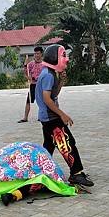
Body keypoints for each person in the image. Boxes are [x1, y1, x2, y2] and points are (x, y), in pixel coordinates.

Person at [35, 44, 94, 187]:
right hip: (51, 118)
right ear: (54, 58)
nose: (66, 59)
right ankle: (76, 173)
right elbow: (47, 99)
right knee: (68, 143)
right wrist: (62, 115)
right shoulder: (48, 75)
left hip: (47, 117)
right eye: (63, 56)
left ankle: (39, 172)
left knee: (48, 146)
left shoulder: (49, 73)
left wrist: (61, 81)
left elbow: (53, 94)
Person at [19, 46, 44, 123]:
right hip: (32, 85)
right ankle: (25, 117)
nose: (36, 55)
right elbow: (26, 72)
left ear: (41, 54)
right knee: (28, 100)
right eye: (35, 53)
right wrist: (28, 77)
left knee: (42, 102)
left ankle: (41, 116)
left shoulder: (44, 64)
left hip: (41, 85)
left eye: (38, 53)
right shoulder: (31, 64)